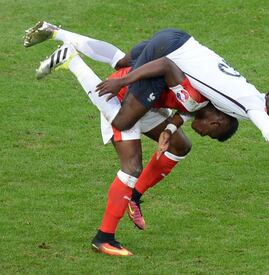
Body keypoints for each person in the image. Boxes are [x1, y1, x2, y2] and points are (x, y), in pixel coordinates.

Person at [24, 22, 238, 256]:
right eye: (210, 133)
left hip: (150, 90)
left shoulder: (207, 97)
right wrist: (123, 83)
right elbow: (181, 91)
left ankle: (133, 196)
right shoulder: (196, 97)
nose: (203, 133)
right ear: (216, 122)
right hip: (124, 99)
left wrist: (169, 131)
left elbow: (187, 106)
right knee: (131, 163)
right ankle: (104, 238)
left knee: (180, 145)